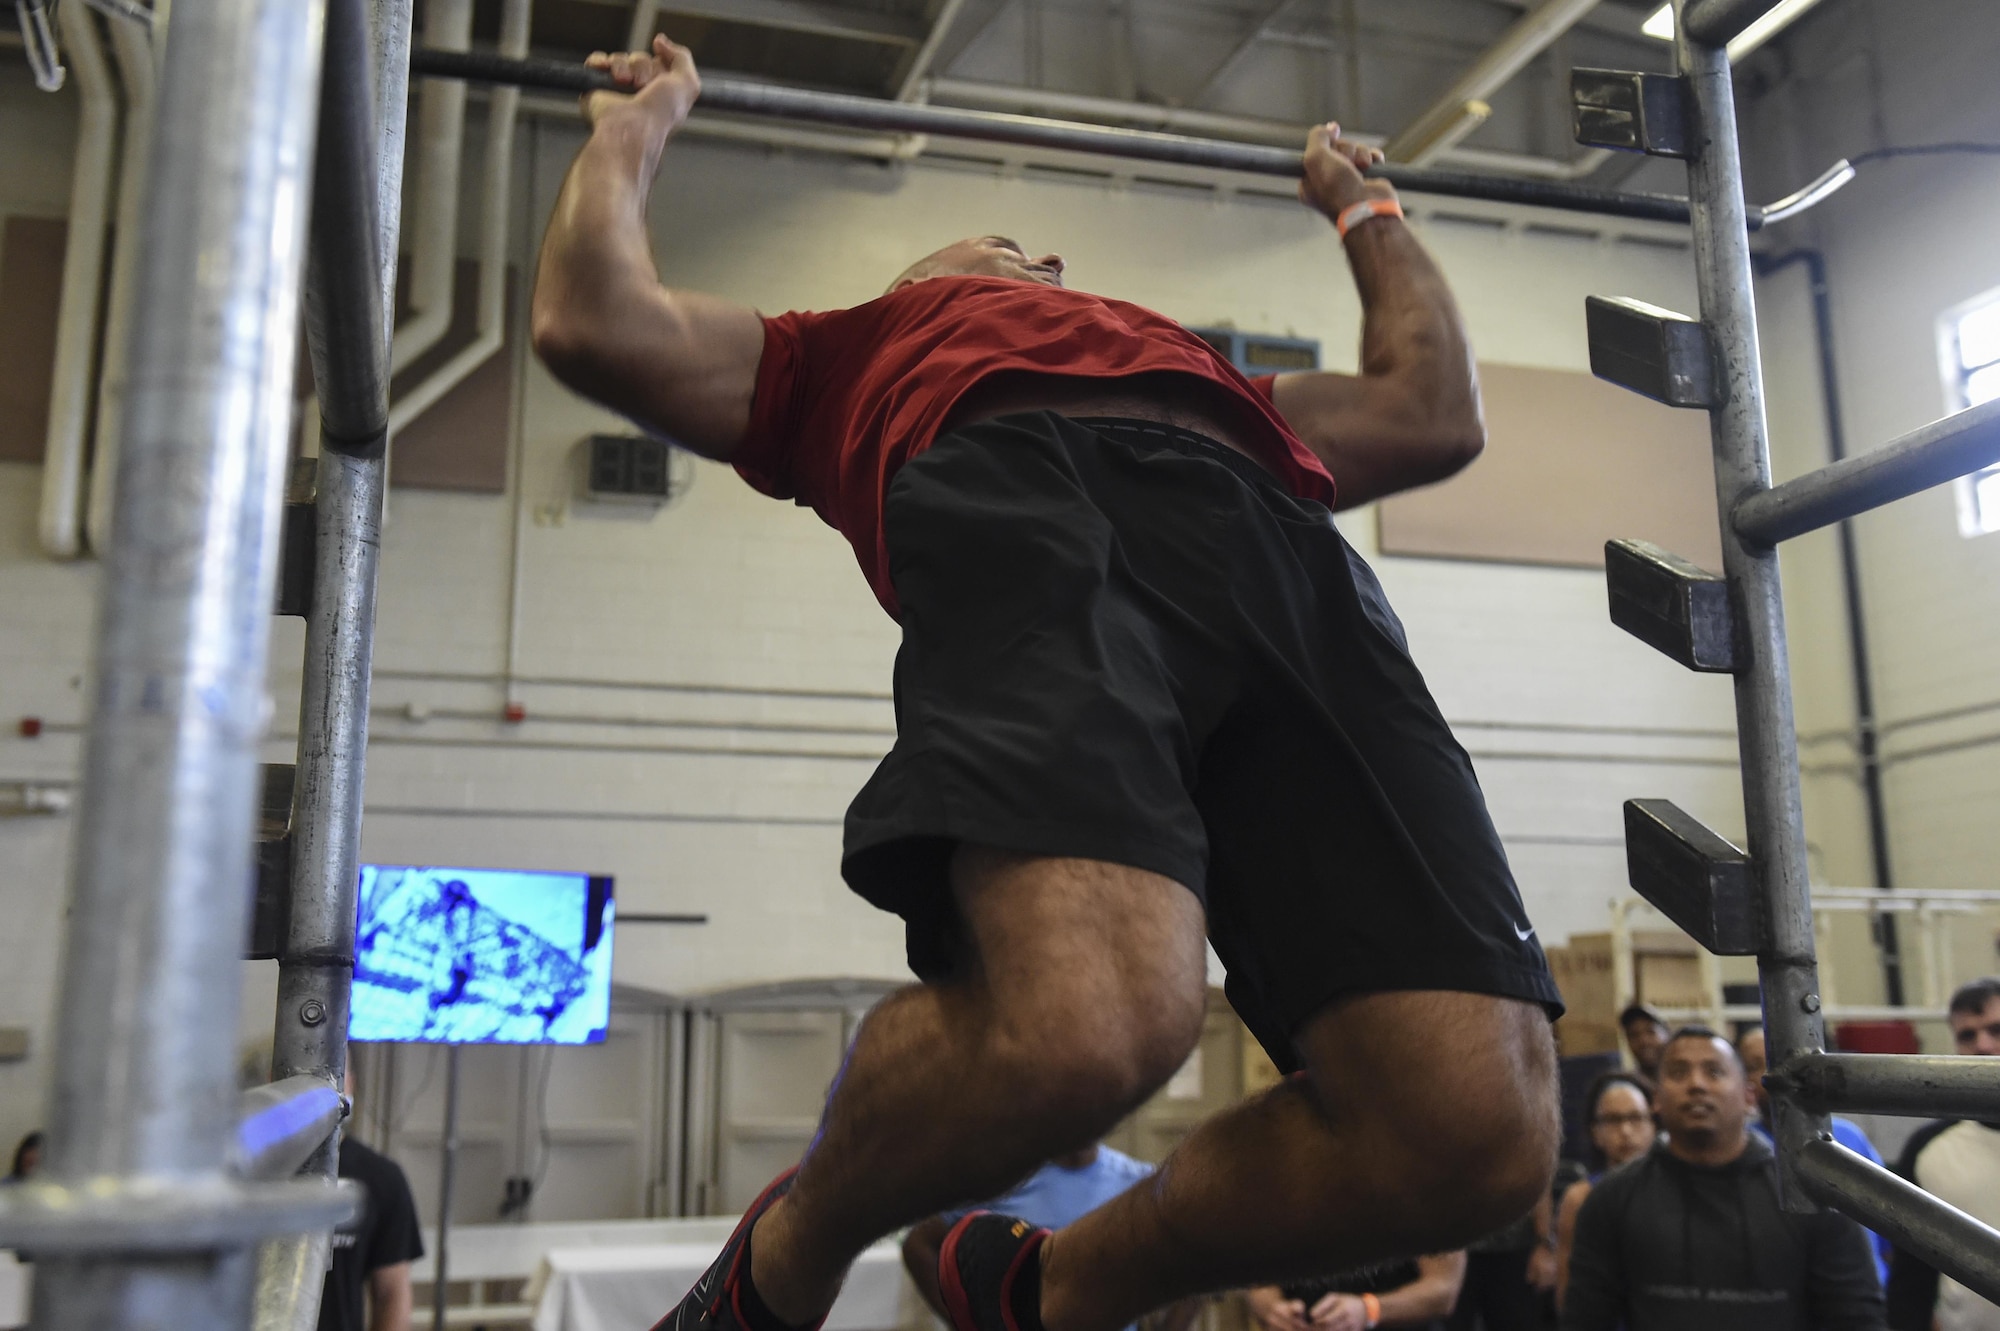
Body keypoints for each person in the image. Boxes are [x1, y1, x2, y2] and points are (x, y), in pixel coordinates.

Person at [533, 35, 1563, 1331]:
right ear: (914, 276)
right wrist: (644, 119)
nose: (1048, 262)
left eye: (1049, 256)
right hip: (1030, 501)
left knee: (1476, 1134)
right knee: (1084, 1032)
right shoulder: (832, 352)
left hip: (1282, 553)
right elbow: (592, 318)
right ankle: (786, 1246)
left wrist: (1363, 207)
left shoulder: (1222, 384)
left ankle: (1059, 1284)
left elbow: (1433, 408)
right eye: (1003, 245)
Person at [1559, 1027, 1883, 1331]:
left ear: (1748, 1097)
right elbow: (1586, 1320)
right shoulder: (1611, 1200)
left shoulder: (1812, 1200)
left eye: (1714, 1072)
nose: (1696, 1084)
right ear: (1656, 1098)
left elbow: (1856, 1320)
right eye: (1678, 1073)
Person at [905, 1144, 1197, 1331]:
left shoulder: (1139, 1182)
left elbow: (1195, 1261)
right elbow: (918, 1245)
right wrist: (963, 1321)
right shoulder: (1006, 1180)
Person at [1886, 977, 2000, 1331]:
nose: (1983, 1045)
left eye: (1997, 1030)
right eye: (1967, 1035)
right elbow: (1909, 1280)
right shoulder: (1928, 1150)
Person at [1736, 1026, 1890, 1287]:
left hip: (1864, 1291)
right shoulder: (1742, 1148)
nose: (1771, 1075)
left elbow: (1888, 1228)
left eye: (1779, 1060)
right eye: (1755, 1064)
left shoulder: (1848, 1137)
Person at [320, 1070, 424, 1331]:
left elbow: (392, 1293)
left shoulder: (379, 1177)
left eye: (331, 1075)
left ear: (351, 1082)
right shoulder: (247, 1173)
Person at [1551, 1072, 1653, 1313]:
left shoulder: (1673, 1187)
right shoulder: (1580, 1198)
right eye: (1613, 1120)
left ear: (1652, 1125)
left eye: (1635, 1118)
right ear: (1596, 1132)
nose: (1626, 1131)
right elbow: (1568, 1295)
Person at [1248, 1254, 1467, 1331]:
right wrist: (1274, 1309)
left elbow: (1444, 1288)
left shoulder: (1422, 1180)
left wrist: (1368, 1310)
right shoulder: (1292, 1182)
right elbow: (1255, 1278)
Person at [1618, 1005, 1668, 1086]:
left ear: (1667, 1034)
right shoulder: (1628, 1087)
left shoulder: (1686, 1081)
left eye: (1651, 1032)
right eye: (1633, 1035)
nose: (1644, 1041)